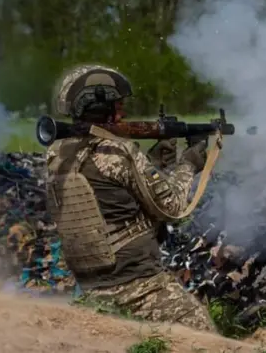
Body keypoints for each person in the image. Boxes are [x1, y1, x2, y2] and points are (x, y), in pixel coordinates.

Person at [45, 64, 214, 331]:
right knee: (204, 340)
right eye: (118, 106)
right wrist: (188, 164)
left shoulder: (58, 154)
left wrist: (152, 162)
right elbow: (172, 209)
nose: (123, 112)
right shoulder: (118, 152)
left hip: (91, 286)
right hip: (139, 285)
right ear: (101, 108)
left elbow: (109, 189)